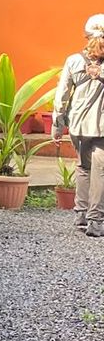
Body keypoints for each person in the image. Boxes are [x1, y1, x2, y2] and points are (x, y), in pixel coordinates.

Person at [53, 15, 104, 237]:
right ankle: (96, 220)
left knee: (84, 167)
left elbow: (62, 94)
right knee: (101, 171)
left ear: (86, 36)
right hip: (101, 126)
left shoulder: (73, 61)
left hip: (78, 125)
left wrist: (57, 124)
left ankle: (81, 214)